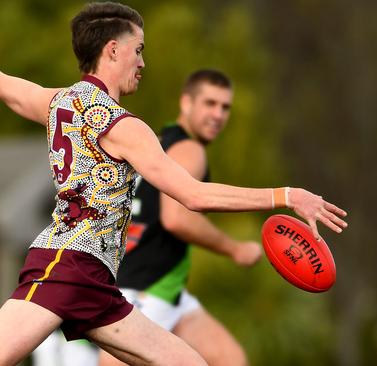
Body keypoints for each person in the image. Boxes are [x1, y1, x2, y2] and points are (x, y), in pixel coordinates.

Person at [0, 3, 348, 366]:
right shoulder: (126, 126)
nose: (142, 61)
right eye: (139, 49)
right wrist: (285, 196)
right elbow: (193, 195)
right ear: (114, 50)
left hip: (96, 280)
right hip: (66, 264)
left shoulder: (57, 102)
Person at [100, 69, 259, 366]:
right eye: (209, 103)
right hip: (146, 287)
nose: (218, 114)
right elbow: (176, 218)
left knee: (230, 359)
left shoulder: (159, 141)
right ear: (186, 103)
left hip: (165, 289)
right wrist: (234, 248)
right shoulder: (191, 149)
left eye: (225, 107)